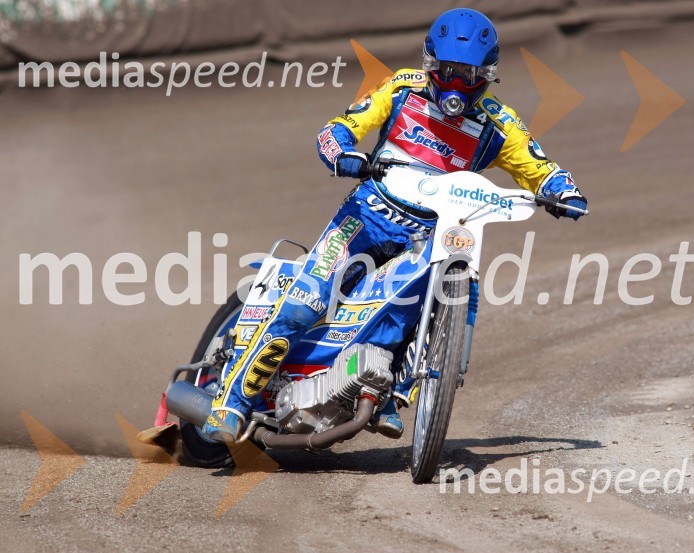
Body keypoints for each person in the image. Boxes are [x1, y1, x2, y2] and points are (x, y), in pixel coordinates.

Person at [203, 8, 587, 444]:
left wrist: (564, 191)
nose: (457, 85)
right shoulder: (401, 87)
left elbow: (539, 166)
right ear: (430, 65)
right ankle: (230, 402)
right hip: (364, 217)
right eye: (448, 71)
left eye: (470, 74)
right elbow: (341, 127)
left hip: (429, 234)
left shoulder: (500, 124)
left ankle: (389, 390)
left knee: (416, 299)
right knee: (304, 302)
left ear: (488, 75)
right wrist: (342, 151)